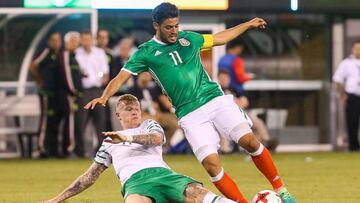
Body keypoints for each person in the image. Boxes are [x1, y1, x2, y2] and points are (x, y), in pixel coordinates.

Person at [85, 3, 296, 203]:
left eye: (176, 25)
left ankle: (282, 191)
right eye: (169, 27)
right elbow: (121, 77)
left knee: (249, 141)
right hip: (189, 114)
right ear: (156, 26)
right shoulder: (146, 52)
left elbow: (219, 38)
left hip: (214, 99)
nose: (174, 31)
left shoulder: (189, 39)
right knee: (211, 165)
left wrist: (247, 24)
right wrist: (104, 97)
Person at [39, 94, 237, 203]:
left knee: (197, 193)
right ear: (118, 116)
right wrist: (57, 199)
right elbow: (89, 176)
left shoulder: (148, 125)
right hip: (135, 184)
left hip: (163, 175)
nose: (134, 112)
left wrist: (125, 137)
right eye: (128, 109)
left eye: (136, 109)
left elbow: (156, 139)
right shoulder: (108, 143)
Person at [217, 70, 278, 153]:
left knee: (257, 121)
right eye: (222, 78)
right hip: (226, 116)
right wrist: (236, 102)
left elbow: (245, 102)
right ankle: (225, 150)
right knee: (224, 124)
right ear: (218, 79)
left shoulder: (233, 90)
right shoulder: (217, 91)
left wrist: (238, 102)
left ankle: (266, 143)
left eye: (226, 78)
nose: (224, 80)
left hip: (240, 113)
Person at [30, 32, 69, 158]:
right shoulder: (46, 52)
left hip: (56, 93)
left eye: (58, 40)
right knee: (46, 120)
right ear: (49, 41)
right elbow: (33, 66)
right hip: (46, 92)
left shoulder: (60, 54)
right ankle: (40, 149)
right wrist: (40, 81)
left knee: (54, 121)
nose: (56, 43)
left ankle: (53, 150)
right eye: (53, 40)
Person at [76, 31, 110, 154]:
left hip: (97, 90)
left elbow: (106, 73)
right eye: (84, 39)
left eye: (88, 39)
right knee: (81, 121)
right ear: (81, 40)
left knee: (101, 121)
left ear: (92, 40)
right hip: (83, 92)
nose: (86, 42)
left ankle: (100, 150)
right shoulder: (76, 54)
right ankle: (80, 151)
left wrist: (102, 84)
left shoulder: (100, 53)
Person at [333, 40, 360, 151]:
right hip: (352, 95)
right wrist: (342, 94)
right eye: (357, 48)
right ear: (353, 49)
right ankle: (353, 146)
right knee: (352, 121)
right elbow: (338, 80)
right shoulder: (346, 63)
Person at [60, 31, 84, 157]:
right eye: (72, 41)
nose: (75, 43)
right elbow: (67, 75)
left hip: (76, 94)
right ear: (66, 42)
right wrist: (73, 91)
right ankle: (68, 149)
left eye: (76, 41)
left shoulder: (74, 56)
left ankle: (72, 148)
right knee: (70, 123)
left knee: (74, 122)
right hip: (69, 96)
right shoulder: (65, 55)